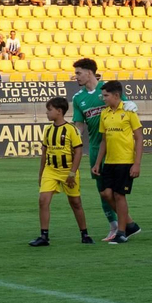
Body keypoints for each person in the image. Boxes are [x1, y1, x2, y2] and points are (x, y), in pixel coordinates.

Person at [70, 58, 123, 238]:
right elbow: (79, 126)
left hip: (116, 147)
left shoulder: (108, 90)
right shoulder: (78, 98)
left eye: (78, 73)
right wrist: (71, 143)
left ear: (89, 73)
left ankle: (126, 224)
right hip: (95, 148)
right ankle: (115, 226)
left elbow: (129, 109)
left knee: (116, 191)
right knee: (102, 191)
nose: (75, 76)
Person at [29, 97, 93, 246]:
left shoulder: (71, 130)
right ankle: (44, 236)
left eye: (49, 110)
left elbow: (78, 152)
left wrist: (72, 173)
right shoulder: (48, 130)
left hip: (68, 171)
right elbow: (44, 153)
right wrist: (41, 173)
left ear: (59, 111)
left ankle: (84, 234)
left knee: (75, 202)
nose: (46, 113)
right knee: (43, 200)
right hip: (50, 171)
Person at [90, 79, 143, 242]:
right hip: (110, 162)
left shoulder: (129, 112)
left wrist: (136, 163)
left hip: (125, 161)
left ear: (116, 95)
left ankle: (121, 232)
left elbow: (139, 138)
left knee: (120, 196)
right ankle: (130, 225)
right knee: (105, 193)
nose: (103, 98)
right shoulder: (105, 113)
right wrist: (98, 162)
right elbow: (104, 141)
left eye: (105, 95)